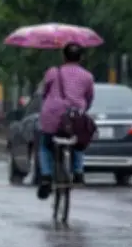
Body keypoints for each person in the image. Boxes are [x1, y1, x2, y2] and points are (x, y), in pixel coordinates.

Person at [37, 43, 95, 200]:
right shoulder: (88, 76)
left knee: (45, 145)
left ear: (63, 57)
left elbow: (44, 92)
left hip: (51, 117)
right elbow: (89, 98)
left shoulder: (52, 72)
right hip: (74, 119)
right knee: (78, 142)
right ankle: (78, 173)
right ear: (81, 58)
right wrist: (83, 110)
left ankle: (46, 177)